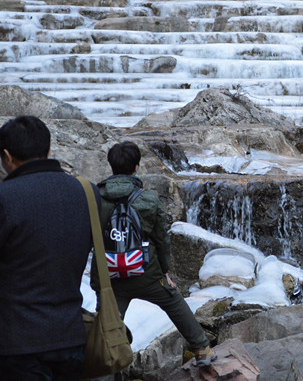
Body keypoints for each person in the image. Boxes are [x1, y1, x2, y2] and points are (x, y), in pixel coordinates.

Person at [90, 142, 216, 366]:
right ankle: (202, 350)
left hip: (110, 279)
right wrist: (165, 271)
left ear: (110, 166)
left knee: (107, 329)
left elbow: (89, 239)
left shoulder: (95, 199)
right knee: (174, 302)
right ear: (136, 167)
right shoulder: (148, 199)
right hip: (146, 274)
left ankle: (106, 372)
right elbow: (161, 240)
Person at [0, 115, 95, 379]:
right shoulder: (86, 192)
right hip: (71, 335)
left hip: (16, 343)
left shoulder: (5, 197)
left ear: (7, 156)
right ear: (48, 150)